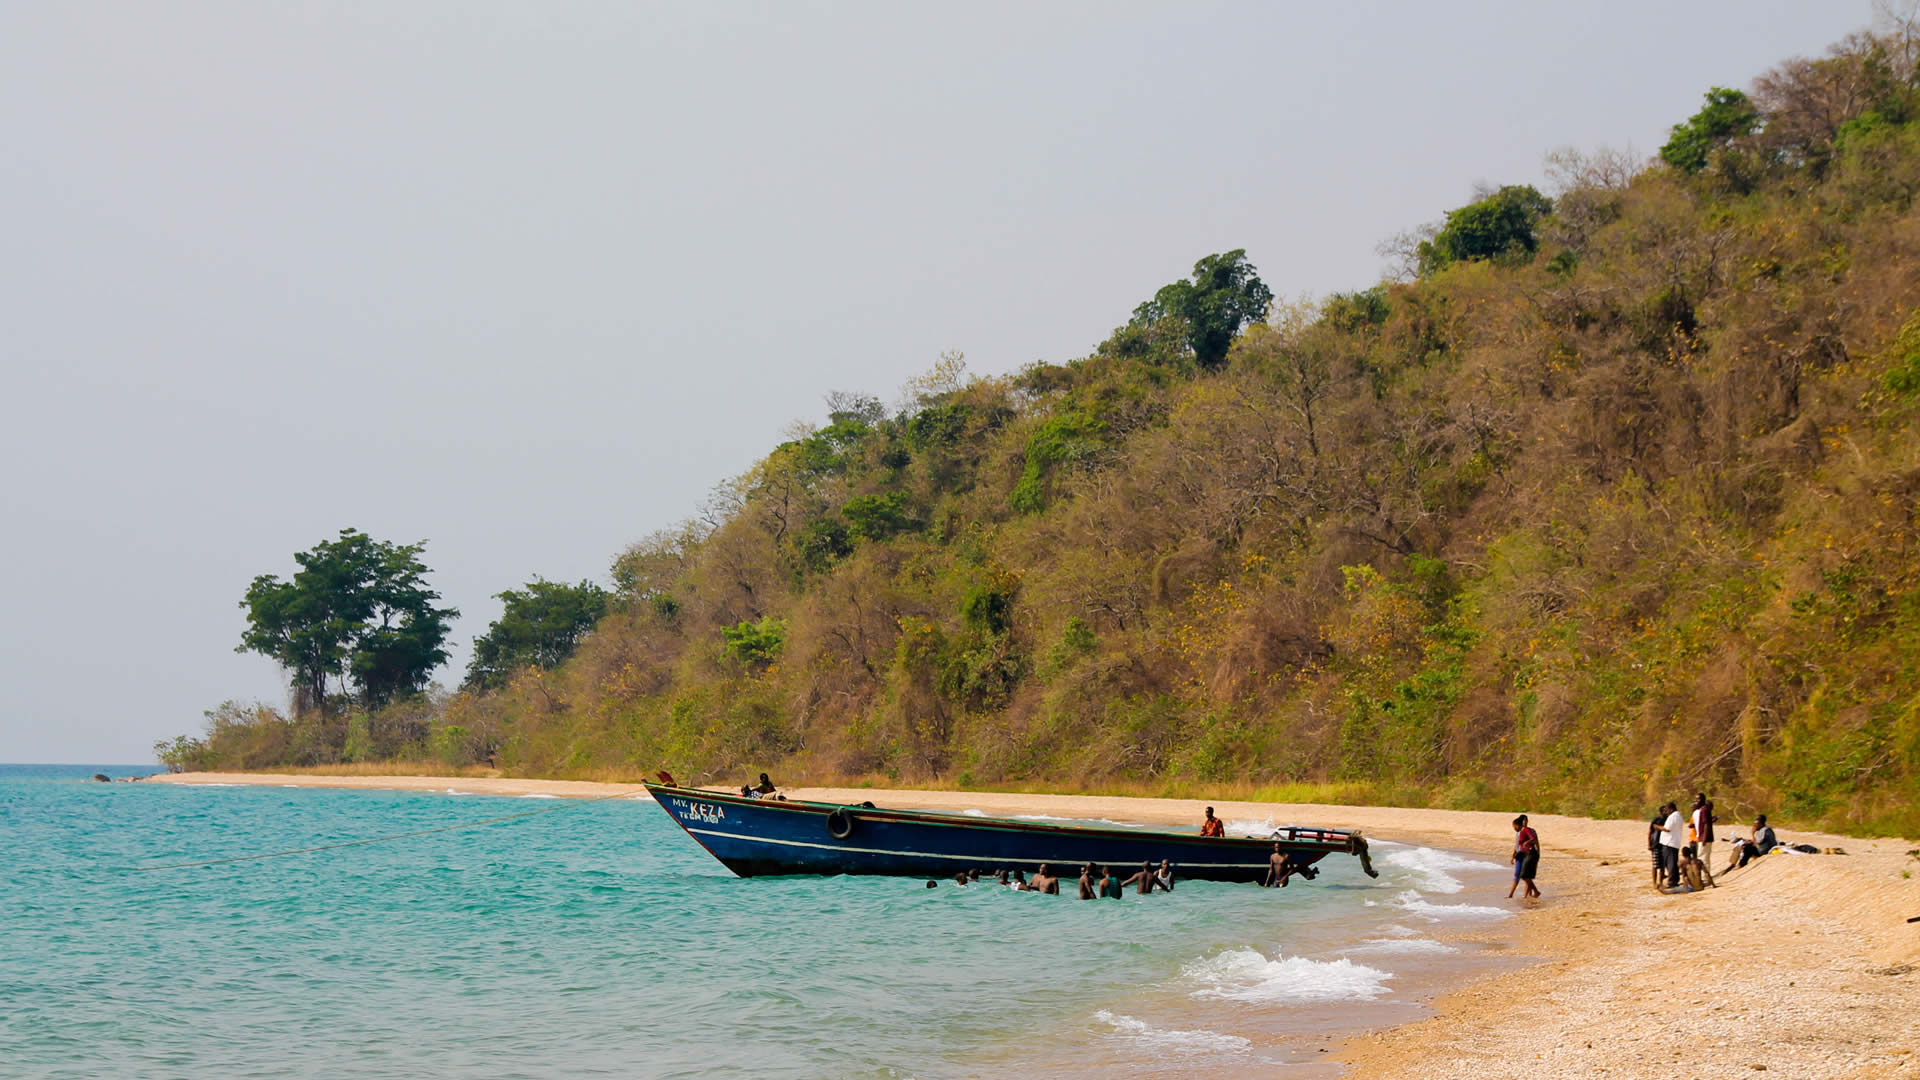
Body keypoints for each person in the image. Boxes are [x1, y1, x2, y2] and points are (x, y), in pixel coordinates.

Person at [1508, 814, 1540, 899]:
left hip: (1528, 854)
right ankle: (1512, 895)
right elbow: (1516, 845)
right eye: (1524, 821)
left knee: (1526, 875)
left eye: (1526, 821)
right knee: (1520, 874)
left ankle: (1528, 895)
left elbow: (1535, 841)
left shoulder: (1529, 830)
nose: (1525, 822)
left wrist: (1538, 852)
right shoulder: (1519, 832)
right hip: (1521, 854)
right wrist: (1513, 855)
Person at [1691, 793, 1718, 887]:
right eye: (1696, 799)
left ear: (1702, 800)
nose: (1696, 801)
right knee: (1702, 857)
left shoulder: (1704, 810)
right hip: (1702, 837)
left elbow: (1706, 824)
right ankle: (1704, 878)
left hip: (1704, 838)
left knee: (1703, 858)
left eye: (1698, 799)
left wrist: (1704, 838)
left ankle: (1705, 879)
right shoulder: (1702, 810)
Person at [1659, 801, 1686, 889]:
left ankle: (1671, 882)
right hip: (1674, 842)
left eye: (1667, 810)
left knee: (1670, 863)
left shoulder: (1672, 817)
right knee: (1673, 863)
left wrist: (1657, 827)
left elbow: (1667, 829)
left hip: (1669, 843)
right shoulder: (1679, 816)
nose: (1666, 812)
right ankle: (1675, 880)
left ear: (1671, 809)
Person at [1647, 806, 1667, 888]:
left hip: (1664, 844)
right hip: (1655, 845)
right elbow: (1650, 832)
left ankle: (1661, 882)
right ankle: (1654, 883)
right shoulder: (1656, 820)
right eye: (1665, 810)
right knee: (1655, 865)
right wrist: (1649, 844)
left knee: (1662, 865)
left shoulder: (1668, 820)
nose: (1666, 812)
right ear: (1661, 812)